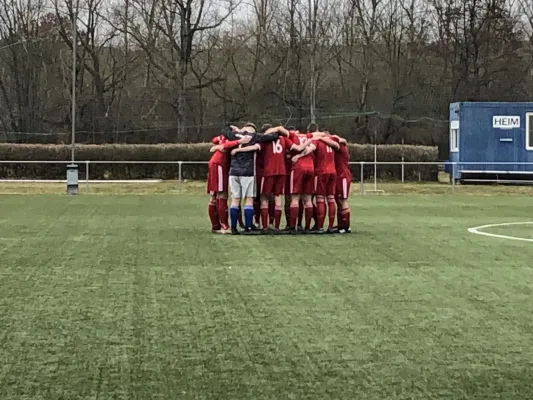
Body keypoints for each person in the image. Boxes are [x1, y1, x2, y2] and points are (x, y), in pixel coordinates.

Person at [222, 123, 279, 234]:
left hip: (233, 171)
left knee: (235, 199)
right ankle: (248, 227)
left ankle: (233, 228)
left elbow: (224, 131)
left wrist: (234, 128)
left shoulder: (234, 135)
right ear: (253, 130)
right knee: (249, 199)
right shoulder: (254, 136)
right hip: (247, 172)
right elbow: (273, 136)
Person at [259, 126, 306, 232]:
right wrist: (308, 143)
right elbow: (298, 148)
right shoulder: (284, 139)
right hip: (282, 170)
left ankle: (265, 226)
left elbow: (258, 146)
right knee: (278, 197)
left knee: (264, 198)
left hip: (269, 170)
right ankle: (277, 227)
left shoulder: (266, 140)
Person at [206, 131, 249, 233]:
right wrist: (240, 141)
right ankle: (224, 226)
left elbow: (215, 140)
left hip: (214, 163)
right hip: (219, 164)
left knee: (214, 196)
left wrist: (218, 145)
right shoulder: (234, 139)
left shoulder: (223, 137)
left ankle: (216, 226)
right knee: (222, 195)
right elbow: (225, 145)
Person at [314, 133, 340, 233]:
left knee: (320, 199)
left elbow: (311, 149)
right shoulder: (332, 139)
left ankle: (320, 227)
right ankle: (330, 226)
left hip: (321, 171)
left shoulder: (318, 141)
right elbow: (337, 145)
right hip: (332, 171)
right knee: (331, 198)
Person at [332, 135, 352, 233]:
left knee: (342, 200)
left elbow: (337, 141)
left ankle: (346, 226)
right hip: (340, 176)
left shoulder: (340, 146)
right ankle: (342, 224)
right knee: (338, 200)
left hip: (343, 176)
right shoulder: (342, 145)